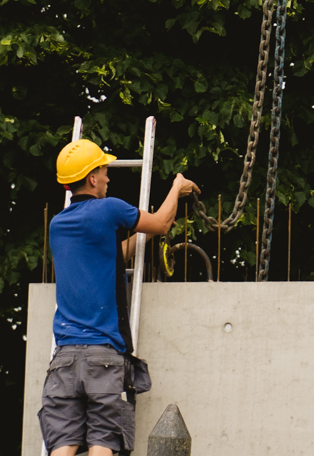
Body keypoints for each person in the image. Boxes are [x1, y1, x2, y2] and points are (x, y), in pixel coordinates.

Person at [40, 138, 199, 456]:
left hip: (64, 358)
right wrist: (177, 187)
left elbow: (106, 260)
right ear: (92, 178)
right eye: (104, 170)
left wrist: (140, 239)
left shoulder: (58, 226)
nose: (108, 177)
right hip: (103, 355)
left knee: (62, 446)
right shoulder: (108, 209)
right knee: (104, 442)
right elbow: (163, 223)